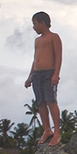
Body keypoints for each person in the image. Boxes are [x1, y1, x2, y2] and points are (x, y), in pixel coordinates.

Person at [24, 11, 63, 146]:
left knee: (51, 101)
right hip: (37, 74)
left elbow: (58, 56)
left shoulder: (54, 37)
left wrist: (56, 74)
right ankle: (47, 129)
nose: (34, 27)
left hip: (49, 73)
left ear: (42, 23)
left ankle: (57, 131)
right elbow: (35, 60)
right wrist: (30, 77)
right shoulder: (37, 40)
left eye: (35, 24)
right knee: (40, 103)